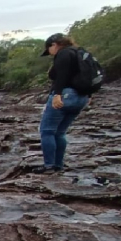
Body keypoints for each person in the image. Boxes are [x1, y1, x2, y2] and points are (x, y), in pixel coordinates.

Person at [34, 33, 90, 173]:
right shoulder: (80, 52)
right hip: (81, 97)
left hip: (65, 94)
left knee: (47, 131)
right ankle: (58, 165)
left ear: (54, 45)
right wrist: (88, 94)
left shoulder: (63, 54)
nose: (51, 54)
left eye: (50, 50)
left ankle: (49, 166)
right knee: (60, 132)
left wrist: (57, 95)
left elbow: (61, 76)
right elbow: (88, 74)